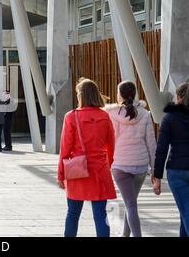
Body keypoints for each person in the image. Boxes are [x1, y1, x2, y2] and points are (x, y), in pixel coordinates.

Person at [57, 78, 116, 237]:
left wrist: (61, 174)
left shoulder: (71, 116)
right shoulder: (104, 116)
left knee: (73, 213)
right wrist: (107, 164)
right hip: (99, 170)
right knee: (101, 215)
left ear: (81, 96)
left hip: (78, 170)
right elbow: (111, 145)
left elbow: (65, 148)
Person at [105, 81, 156, 237]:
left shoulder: (112, 114)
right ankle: (125, 234)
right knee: (131, 202)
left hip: (120, 164)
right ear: (134, 95)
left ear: (120, 95)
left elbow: (107, 139)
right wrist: (155, 169)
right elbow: (151, 144)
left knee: (130, 204)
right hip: (140, 166)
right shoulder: (145, 114)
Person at [153, 82, 189, 237]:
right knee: (184, 213)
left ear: (179, 97)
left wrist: (157, 177)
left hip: (176, 170)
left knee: (186, 213)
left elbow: (161, 149)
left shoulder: (169, 118)